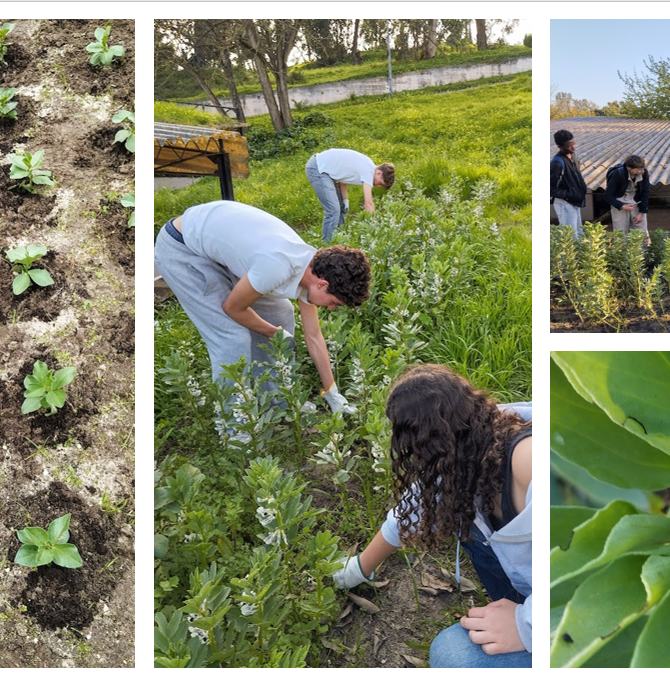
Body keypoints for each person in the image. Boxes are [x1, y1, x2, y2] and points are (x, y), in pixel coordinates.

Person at [332, 364, 532, 668]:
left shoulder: (529, 461)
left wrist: (526, 625)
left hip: (571, 609)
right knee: (462, 513)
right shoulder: (470, 441)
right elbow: (412, 510)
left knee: (453, 655)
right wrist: (358, 569)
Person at [154, 200, 366, 430]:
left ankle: (280, 400)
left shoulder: (313, 267)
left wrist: (331, 390)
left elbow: (314, 336)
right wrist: (271, 332)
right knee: (231, 338)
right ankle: (234, 427)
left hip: (214, 247)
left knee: (282, 312)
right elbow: (233, 308)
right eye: (334, 302)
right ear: (323, 284)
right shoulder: (276, 267)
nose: (332, 308)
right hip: (182, 248)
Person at [305, 148, 395, 242]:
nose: (378, 186)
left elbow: (343, 177)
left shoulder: (369, 166)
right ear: (379, 173)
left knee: (342, 209)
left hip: (327, 171)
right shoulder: (369, 171)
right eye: (380, 183)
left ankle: (338, 242)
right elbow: (368, 204)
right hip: (317, 168)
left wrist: (345, 200)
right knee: (333, 210)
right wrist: (374, 229)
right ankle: (326, 246)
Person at [605, 154, 651, 247]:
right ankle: (622, 258)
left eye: (642, 168)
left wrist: (641, 213)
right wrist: (622, 206)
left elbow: (645, 193)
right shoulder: (617, 174)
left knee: (642, 232)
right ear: (630, 168)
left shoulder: (644, 172)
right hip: (619, 203)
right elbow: (607, 196)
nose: (641, 171)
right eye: (638, 169)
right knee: (620, 233)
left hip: (636, 202)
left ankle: (646, 258)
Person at [550, 129, 587, 238]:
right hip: (565, 203)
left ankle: (579, 256)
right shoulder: (557, 163)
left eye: (573, 144)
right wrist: (569, 194)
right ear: (559, 146)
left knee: (579, 234)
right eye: (569, 146)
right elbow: (549, 188)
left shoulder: (573, 157)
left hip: (575, 201)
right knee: (570, 236)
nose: (573, 148)